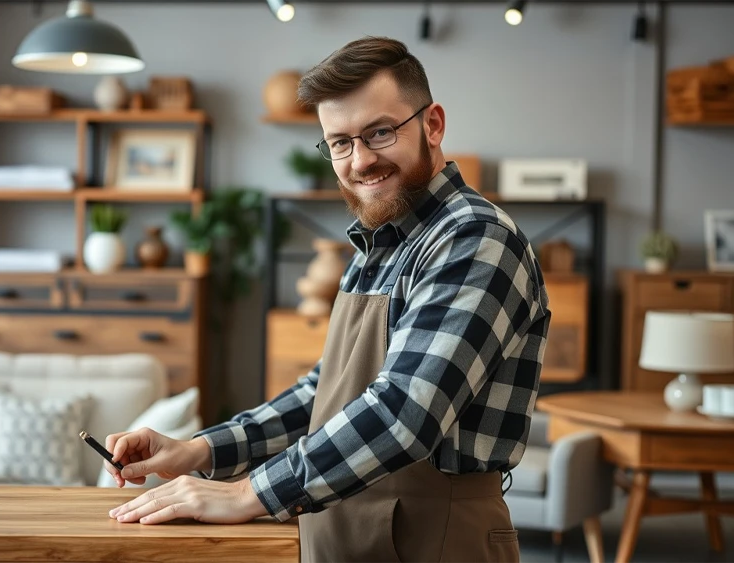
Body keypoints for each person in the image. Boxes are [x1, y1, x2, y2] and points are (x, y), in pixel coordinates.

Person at [105, 36, 550, 563]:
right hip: (347, 534)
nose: (360, 160)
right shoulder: (381, 239)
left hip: (436, 539)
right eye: (339, 142)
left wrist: (247, 493)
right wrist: (198, 450)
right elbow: (326, 393)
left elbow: (405, 414)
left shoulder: (475, 239)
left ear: (432, 125)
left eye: (379, 132)